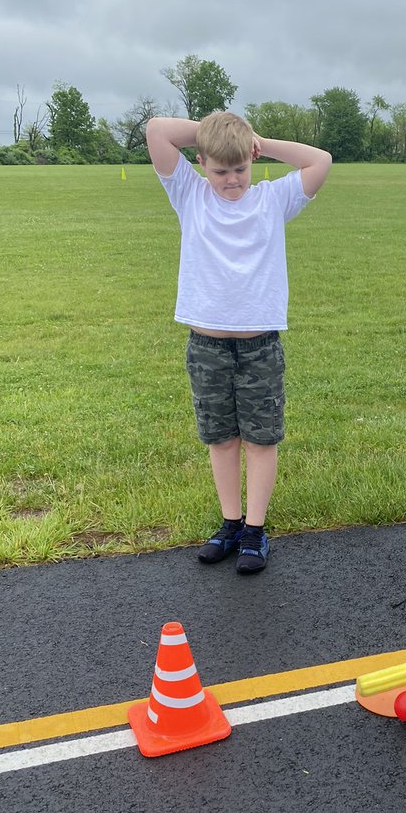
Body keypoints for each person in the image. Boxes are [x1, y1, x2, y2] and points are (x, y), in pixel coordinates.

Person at [146, 111, 331, 573]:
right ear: (202, 162)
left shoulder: (272, 199)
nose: (231, 180)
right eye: (219, 170)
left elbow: (320, 161)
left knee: (260, 441)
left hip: (259, 347)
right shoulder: (188, 193)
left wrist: (257, 140)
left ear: (252, 162)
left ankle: (254, 531)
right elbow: (156, 131)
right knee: (221, 440)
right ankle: (229, 524)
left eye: (240, 169)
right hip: (206, 347)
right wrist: (212, 135)